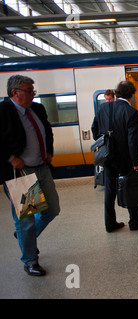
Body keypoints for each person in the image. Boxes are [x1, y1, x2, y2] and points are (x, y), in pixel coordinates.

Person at [0, 75, 60, 276]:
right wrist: (10, 158)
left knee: (52, 209)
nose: (33, 94)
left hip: (42, 167)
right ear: (15, 92)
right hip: (22, 173)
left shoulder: (38, 109)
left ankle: (24, 237)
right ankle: (30, 260)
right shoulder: (3, 111)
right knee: (26, 218)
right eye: (29, 91)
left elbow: (47, 131)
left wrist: (49, 150)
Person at [91, 80, 138, 232]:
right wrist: (136, 163)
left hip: (107, 156)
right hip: (124, 158)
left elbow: (94, 130)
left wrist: (106, 143)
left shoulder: (103, 108)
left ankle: (110, 224)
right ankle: (135, 221)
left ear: (117, 93)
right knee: (130, 188)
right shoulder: (131, 112)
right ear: (132, 95)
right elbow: (132, 140)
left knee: (110, 191)